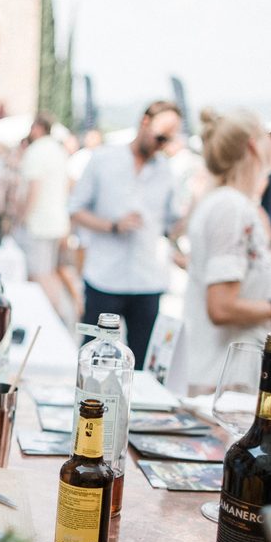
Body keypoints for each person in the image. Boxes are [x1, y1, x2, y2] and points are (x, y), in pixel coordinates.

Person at [180, 109, 271, 394]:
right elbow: (221, 307)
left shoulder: (228, 203)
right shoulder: (230, 207)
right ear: (253, 145)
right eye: (267, 135)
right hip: (223, 381)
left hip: (224, 377)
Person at [69, 100, 183, 364]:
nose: (162, 145)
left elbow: (171, 225)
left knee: (142, 363)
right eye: (160, 137)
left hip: (148, 280)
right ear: (145, 122)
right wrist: (112, 225)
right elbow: (75, 209)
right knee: (93, 358)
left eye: (168, 140)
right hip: (104, 277)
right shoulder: (103, 159)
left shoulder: (166, 171)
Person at [17, 113, 72, 319]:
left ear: (39, 128)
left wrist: (23, 216)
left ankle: (53, 318)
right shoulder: (59, 150)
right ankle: (58, 315)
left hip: (39, 223)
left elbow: (34, 188)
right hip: (57, 221)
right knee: (48, 272)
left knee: (38, 274)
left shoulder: (36, 151)